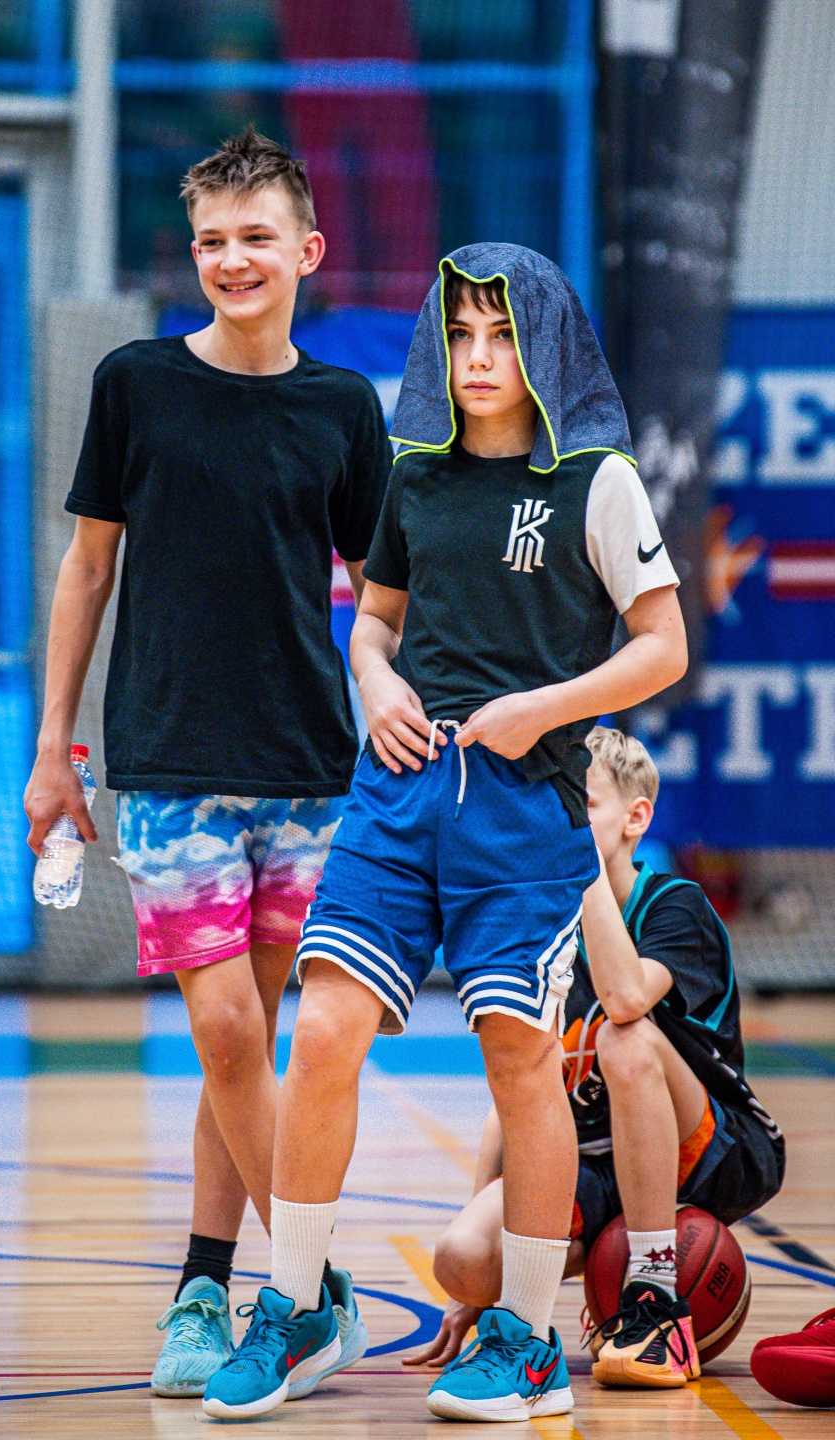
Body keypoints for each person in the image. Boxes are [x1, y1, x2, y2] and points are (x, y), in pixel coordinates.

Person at [202, 243, 688, 1423]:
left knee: (519, 1055)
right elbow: (375, 624)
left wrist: (545, 710)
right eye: (460, 333)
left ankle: (525, 1340)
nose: (477, 357)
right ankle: (297, 1305)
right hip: (399, 785)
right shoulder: (414, 475)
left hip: (523, 803)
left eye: (501, 335)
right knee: (324, 1029)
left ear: (544, 345)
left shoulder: (601, 483)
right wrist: (373, 681)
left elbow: (664, 647)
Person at [23, 128, 391, 1398]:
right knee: (226, 1029)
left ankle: (204, 1284)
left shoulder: (343, 409)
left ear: (308, 250)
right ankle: (311, 1287)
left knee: (247, 1047)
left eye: (255, 237)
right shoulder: (135, 382)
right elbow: (87, 571)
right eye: (211, 241)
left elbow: (381, 599)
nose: (233, 259)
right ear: (194, 255)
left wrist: (408, 705)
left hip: (311, 768)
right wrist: (54, 751)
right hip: (168, 760)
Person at [408, 727, 785, 1390]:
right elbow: (514, 1097)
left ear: (635, 818)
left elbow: (625, 997)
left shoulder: (675, 906)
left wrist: (576, 869)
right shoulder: (538, 925)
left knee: (623, 1037)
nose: (560, 818)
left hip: (714, 1149)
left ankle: (656, 1297)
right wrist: (484, 1289)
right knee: (461, 1259)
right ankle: (546, 1302)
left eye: (577, 803)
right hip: (596, 1161)